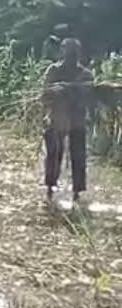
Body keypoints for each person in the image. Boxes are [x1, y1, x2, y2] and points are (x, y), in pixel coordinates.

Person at [42, 38, 94, 204]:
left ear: (78, 54)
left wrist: (72, 92)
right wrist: (57, 91)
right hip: (57, 119)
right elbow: (44, 95)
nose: (70, 56)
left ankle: (77, 190)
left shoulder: (85, 75)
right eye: (68, 52)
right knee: (54, 154)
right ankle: (51, 186)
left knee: (78, 156)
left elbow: (89, 98)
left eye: (73, 53)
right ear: (62, 52)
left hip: (77, 121)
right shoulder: (53, 71)